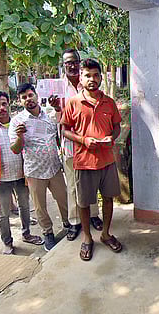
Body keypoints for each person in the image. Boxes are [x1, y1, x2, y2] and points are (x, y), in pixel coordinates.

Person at [61, 58, 123, 261]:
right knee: (84, 203)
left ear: (101, 77)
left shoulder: (109, 102)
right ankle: (87, 238)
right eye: (87, 75)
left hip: (107, 161)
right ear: (80, 77)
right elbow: (65, 130)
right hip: (83, 161)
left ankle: (105, 234)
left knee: (108, 199)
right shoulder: (73, 102)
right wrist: (83, 140)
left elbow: (116, 127)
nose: (92, 79)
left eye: (96, 75)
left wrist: (111, 138)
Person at [0, 91, 43, 254]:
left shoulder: (19, 123)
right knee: (3, 212)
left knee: (25, 206)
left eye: (4, 104)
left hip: (22, 174)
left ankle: (26, 234)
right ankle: (7, 242)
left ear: (9, 104)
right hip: (1, 177)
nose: (1, 108)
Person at [49, 48, 103, 242]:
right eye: (67, 63)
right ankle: (74, 221)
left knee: (92, 182)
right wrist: (56, 109)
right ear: (63, 66)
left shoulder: (88, 83)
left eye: (74, 62)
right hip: (71, 145)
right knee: (72, 184)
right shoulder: (57, 89)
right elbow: (54, 121)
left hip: (90, 145)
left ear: (79, 63)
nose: (71, 65)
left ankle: (94, 215)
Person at [9, 83, 69, 252]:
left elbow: (58, 136)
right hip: (34, 171)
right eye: (24, 97)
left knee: (63, 198)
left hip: (54, 167)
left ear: (36, 95)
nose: (28, 99)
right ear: (20, 101)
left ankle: (68, 224)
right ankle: (48, 233)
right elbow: (15, 149)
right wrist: (20, 136)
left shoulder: (49, 115)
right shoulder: (17, 122)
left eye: (30, 95)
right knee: (40, 206)